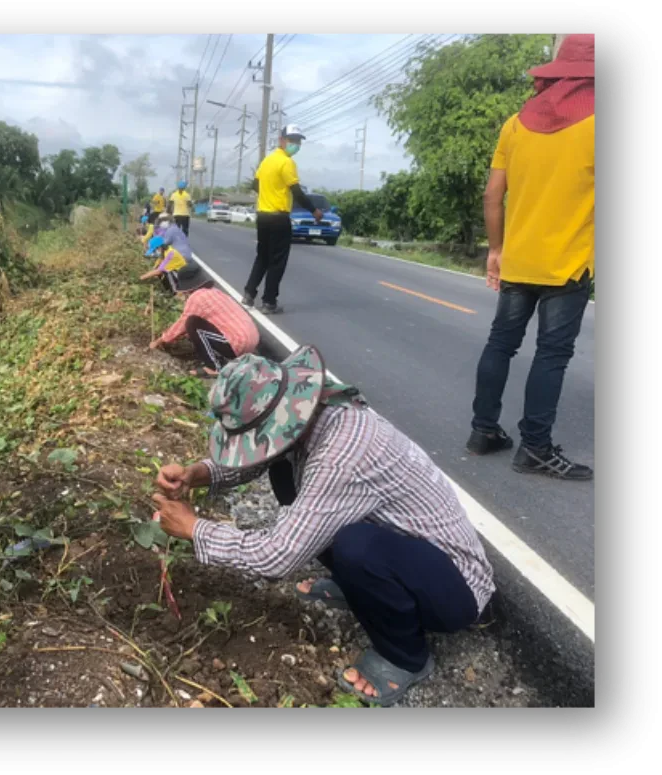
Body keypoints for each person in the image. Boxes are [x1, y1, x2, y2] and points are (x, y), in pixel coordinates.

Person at [150, 346, 496, 706]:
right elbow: (263, 456)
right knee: (285, 473)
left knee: (356, 546)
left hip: (455, 590)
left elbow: (275, 557)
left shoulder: (341, 456)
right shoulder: (316, 413)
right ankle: (358, 586)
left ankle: (405, 656)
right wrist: (198, 474)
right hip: (411, 555)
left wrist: (195, 529)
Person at [466, 33, 594, 481]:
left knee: (500, 344)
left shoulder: (515, 124)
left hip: (517, 261)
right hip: (568, 265)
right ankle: (535, 448)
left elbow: (492, 195)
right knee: (551, 356)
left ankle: (483, 431)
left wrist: (496, 250)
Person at [243, 125, 322, 315]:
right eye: (292, 140)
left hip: (263, 216)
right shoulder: (287, 163)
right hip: (279, 218)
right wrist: (314, 210)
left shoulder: (267, 161)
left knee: (262, 257)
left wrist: (268, 195)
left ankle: (249, 293)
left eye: (298, 141)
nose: (295, 144)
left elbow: (255, 184)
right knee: (277, 262)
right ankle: (269, 302)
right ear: (281, 140)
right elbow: (297, 192)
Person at [149, 276, 260, 377]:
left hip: (238, 344)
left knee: (192, 323)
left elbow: (183, 323)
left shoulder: (196, 297)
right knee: (195, 327)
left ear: (187, 290)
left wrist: (161, 340)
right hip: (252, 340)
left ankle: (213, 367)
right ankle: (221, 356)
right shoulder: (215, 292)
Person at [141, 222, 201, 294]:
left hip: (183, 276)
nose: (155, 251)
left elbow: (159, 271)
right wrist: (152, 270)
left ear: (160, 247)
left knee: (165, 272)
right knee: (160, 270)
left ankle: (175, 291)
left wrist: (142, 277)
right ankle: (170, 290)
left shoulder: (170, 254)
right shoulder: (165, 251)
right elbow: (159, 261)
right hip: (179, 273)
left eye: (155, 249)